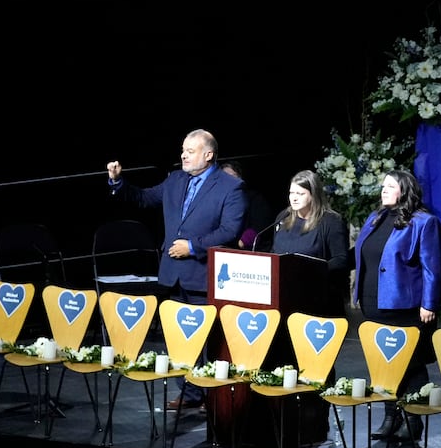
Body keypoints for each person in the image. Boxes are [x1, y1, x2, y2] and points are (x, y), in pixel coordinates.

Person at [108, 129, 246, 409]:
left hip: (204, 274)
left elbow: (230, 230)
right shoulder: (175, 180)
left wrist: (193, 246)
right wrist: (118, 182)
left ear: (208, 155)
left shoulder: (230, 187)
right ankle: (191, 392)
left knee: (206, 339)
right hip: (173, 274)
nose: (183, 155)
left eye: (191, 151)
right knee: (179, 335)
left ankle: (212, 394)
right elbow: (144, 198)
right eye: (183, 149)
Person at [351, 168, 441, 441]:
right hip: (374, 302)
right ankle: (391, 416)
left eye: (390, 186)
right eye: (383, 185)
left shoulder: (424, 222)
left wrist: (430, 304)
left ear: (405, 190)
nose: (384, 189)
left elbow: (432, 268)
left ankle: (413, 421)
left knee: (410, 363)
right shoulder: (375, 218)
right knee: (384, 363)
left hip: (406, 306)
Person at [259, 169, 352, 317]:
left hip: (316, 299)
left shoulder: (330, 221)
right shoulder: (284, 216)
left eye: (300, 194)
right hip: (283, 297)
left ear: (313, 195)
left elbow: (341, 260)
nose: (294, 198)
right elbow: (274, 251)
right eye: (292, 193)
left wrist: (309, 270)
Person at [222, 161, 277, 250]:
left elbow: (260, 227)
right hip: (224, 249)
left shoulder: (255, 198)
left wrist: (242, 242)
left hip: (250, 252)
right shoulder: (218, 202)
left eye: (232, 176)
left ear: (240, 179)